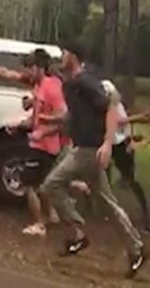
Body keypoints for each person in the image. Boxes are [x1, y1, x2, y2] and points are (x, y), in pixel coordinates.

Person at [38, 42, 144, 279]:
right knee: (107, 202)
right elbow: (73, 117)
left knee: (51, 184)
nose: (61, 57)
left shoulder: (85, 81)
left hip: (88, 151)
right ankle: (136, 248)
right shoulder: (73, 84)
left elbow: (111, 108)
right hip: (85, 149)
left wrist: (107, 144)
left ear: (73, 56)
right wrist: (47, 123)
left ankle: (78, 234)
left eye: (64, 53)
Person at [0, 49, 66, 236]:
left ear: (40, 68)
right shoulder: (42, 84)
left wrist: (29, 123)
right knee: (44, 183)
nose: (28, 72)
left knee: (29, 184)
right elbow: (9, 74)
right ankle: (51, 214)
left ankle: (39, 224)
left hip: (42, 143)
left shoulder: (49, 87)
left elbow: (54, 117)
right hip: (48, 144)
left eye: (31, 68)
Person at [101, 80, 150, 232]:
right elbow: (119, 121)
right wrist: (140, 116)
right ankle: (106, 210)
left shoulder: (116, 104)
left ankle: (146, 213)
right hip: (109, 143)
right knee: (102, 176)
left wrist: (131, 139)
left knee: (130, 180)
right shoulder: (102, 105)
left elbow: (121, 122)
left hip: (120, 144)